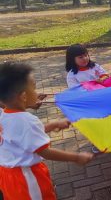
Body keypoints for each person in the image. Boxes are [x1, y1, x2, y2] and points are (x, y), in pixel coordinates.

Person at [0, 62, 94, 199]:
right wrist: (76, 157)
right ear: (23, 97)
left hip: (8, 176)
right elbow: (45, 151)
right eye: (34, 88)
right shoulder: (26, 120)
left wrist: (53, 124)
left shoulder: (4, 115)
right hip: (27, 178)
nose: (37, 93)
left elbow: (24, 137)